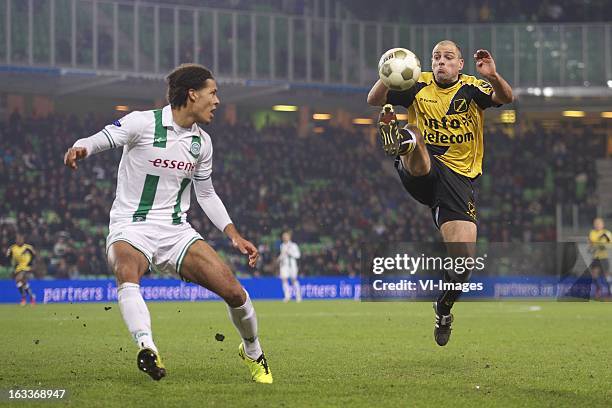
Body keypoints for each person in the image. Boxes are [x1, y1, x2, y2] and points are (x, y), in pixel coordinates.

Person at [63, 64, 272, 383]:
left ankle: (253, 351)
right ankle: (147, 348)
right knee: (126, 270)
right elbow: (101, 138)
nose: (217, 101)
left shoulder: (202, 143)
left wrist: (233, 234)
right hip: (131, 226)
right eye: (212, 92)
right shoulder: (141, 122)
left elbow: (206, 193)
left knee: (235, 292)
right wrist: (83, 148)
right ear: (192, 94)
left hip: (176, 232)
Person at [367, 41, 513, 346]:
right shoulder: (415, 82)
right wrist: (387, 73)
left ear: (460, 64)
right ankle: (402, 141)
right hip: (423, 168)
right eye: (436, 57)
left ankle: (443, 308)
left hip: (458, 180)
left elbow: (506, 97)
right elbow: (373, 100)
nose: (440, 62)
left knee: (464, 262)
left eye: (448, 58)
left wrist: (493, 76)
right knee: (417, 136)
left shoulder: (473, 88)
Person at [6, 233, 37, 306]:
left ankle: (23, 298)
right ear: (15, 240)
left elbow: (34, 256)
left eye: (20, 239)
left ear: (23, 240)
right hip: (18, 267)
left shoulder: (28, 248)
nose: (19, 240)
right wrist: (12, 264)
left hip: (26, 267)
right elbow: (8, 257)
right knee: (23, 283)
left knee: (18, 279)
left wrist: (32, 265)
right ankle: (32, 297)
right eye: (17, 239)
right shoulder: (12, 248)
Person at [588, 217, 612, 298]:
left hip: (604, 257)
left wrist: (604, 246)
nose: (597, 225)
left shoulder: (607, 233)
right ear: (594, 225)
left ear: (603, 224)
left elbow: (610, 244)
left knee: (606, 276)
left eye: (599, 223)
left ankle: (609, 291)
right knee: (594, 274)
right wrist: (591, 248)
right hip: (596, 257)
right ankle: (598, 288)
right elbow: (591, 244)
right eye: (596, 223)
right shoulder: (592, 233)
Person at [278, 231, 302, 302]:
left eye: (286, 236)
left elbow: (298, 255)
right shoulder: (282, 245)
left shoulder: (294, 245)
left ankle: (298, 296)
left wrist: (290, 252)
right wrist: (280, 258)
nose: (285, 238)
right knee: (284, 280)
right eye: (283, 237)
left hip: (292, 265)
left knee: (294, 280)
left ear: (289, 237)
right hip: (284, 266)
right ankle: (287, 296)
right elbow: (282, 255)